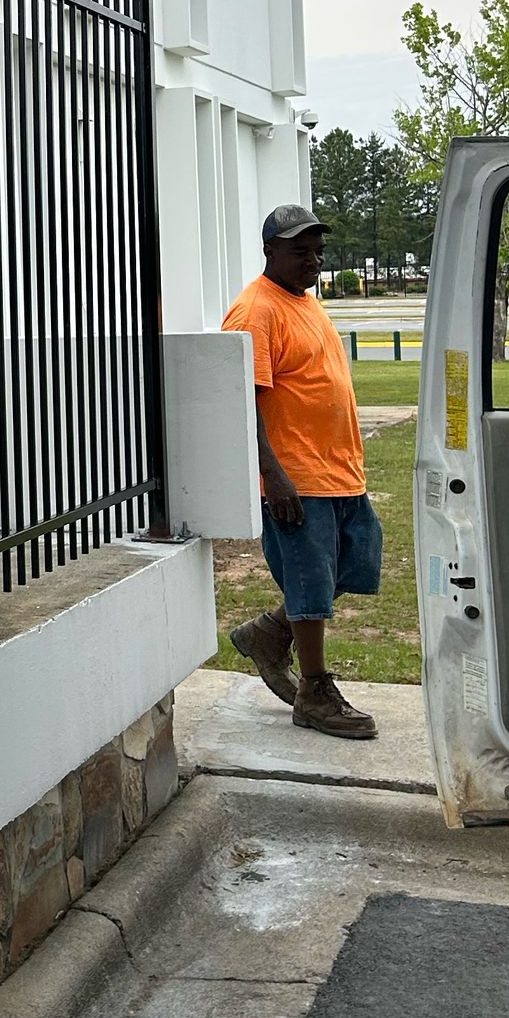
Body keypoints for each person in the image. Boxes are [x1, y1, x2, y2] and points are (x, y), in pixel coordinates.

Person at [222, 204, 380, 739]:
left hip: (339, 470)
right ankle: (314, 692)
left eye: (318, 250)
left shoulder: (305, 302)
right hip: (298, 477)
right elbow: (242, 401)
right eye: (299, 251)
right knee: (312, 585)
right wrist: (275, 475)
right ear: (269, 251)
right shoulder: (255, 311)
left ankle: (270, 633)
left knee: (353, 565)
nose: (313, 260)